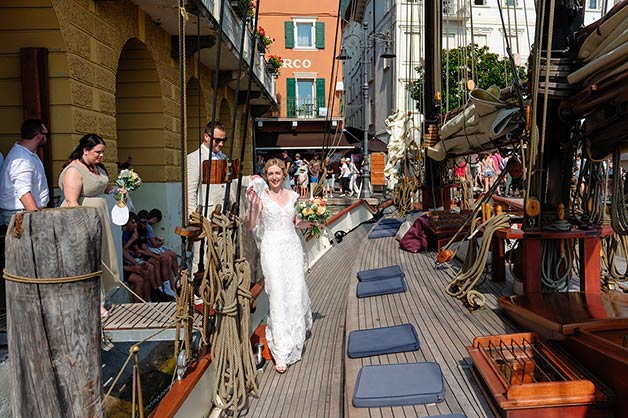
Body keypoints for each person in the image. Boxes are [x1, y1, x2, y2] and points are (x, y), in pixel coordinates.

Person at [246, 158, 312, 374]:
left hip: (291, 246)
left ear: (284, 175)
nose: (274, 177)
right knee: (277, 293)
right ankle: (281, 350)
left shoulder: (294, 196)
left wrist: (313, 220)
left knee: (295, 290)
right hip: (272, 247)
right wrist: (254, 208)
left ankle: (295, 337)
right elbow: (251, 225)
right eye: (270, 173)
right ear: (266, 175)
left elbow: (297, 223)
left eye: (277, 173)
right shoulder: (261, 198)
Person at [58, 133, 121, 317]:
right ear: (85, 150)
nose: (101, 156)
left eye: (102, 152)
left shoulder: (96, 167)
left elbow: (102, 187)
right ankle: (94, 304)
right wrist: (84, 228)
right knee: (89, 260)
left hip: (99, 219)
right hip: (82, 222)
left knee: (100, 258)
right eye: (97, 152)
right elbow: (72, 202)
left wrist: (117, 190)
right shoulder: (74, 170)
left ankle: (100, 299)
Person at [0, 119, 50, 224]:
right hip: (23, 214)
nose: (47, 137)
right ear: (39, 136)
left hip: (26, 212)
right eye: (46, 134)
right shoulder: (22, 159)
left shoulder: (29, 154)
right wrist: (37, 220)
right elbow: (23, 192)